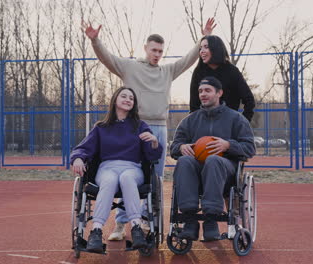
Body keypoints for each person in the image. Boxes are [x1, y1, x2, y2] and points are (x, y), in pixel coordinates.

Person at [81, 18, 217, 241]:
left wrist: (204, 37)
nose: (157, 54)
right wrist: (95, 41)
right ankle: (120, 225)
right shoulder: (130, 67)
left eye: (161, 51)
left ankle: (145, 220)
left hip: (159, 128)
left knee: (154, 177)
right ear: (145, 48)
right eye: (154, 50)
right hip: (135, 127)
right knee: (127, 174)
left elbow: (188, 60)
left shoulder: (167, 71)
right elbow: (107, 59)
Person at [70, 87, 162, 253]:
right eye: (124, 96)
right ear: (115, 100)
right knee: (109, 180)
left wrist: (155, 142)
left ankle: (136, 229)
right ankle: (96, 232)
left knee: (126, 177)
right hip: (107, 168)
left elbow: (152, 154)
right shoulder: (101, 127)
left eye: (131, 98)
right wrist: (77, 158)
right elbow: (83, 148)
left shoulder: (140, 126)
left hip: (132, 169)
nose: (128, 100)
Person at [170, 76, 255, 241]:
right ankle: (190, 220)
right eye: (200, 91)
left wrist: (228, 145)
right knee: (184, 160)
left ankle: (211, 220)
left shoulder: (236, 119)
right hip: (196, 171)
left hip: (225, 171)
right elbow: (174, 147)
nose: (203, 94)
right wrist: (180, 147)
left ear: (219, 93)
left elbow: (250, 148)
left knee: (213, 160)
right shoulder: (190, 120)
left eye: (207, 90)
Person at [189, 35, 255, 122]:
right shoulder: (198, 72)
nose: (202, 51)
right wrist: (196, 126)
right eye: (200, 48)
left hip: (228, 126)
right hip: (205, 126)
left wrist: (242, 123)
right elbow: (193, 106)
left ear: (216, 49)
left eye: (206, 47)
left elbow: (249, 100)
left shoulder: (232, 71)